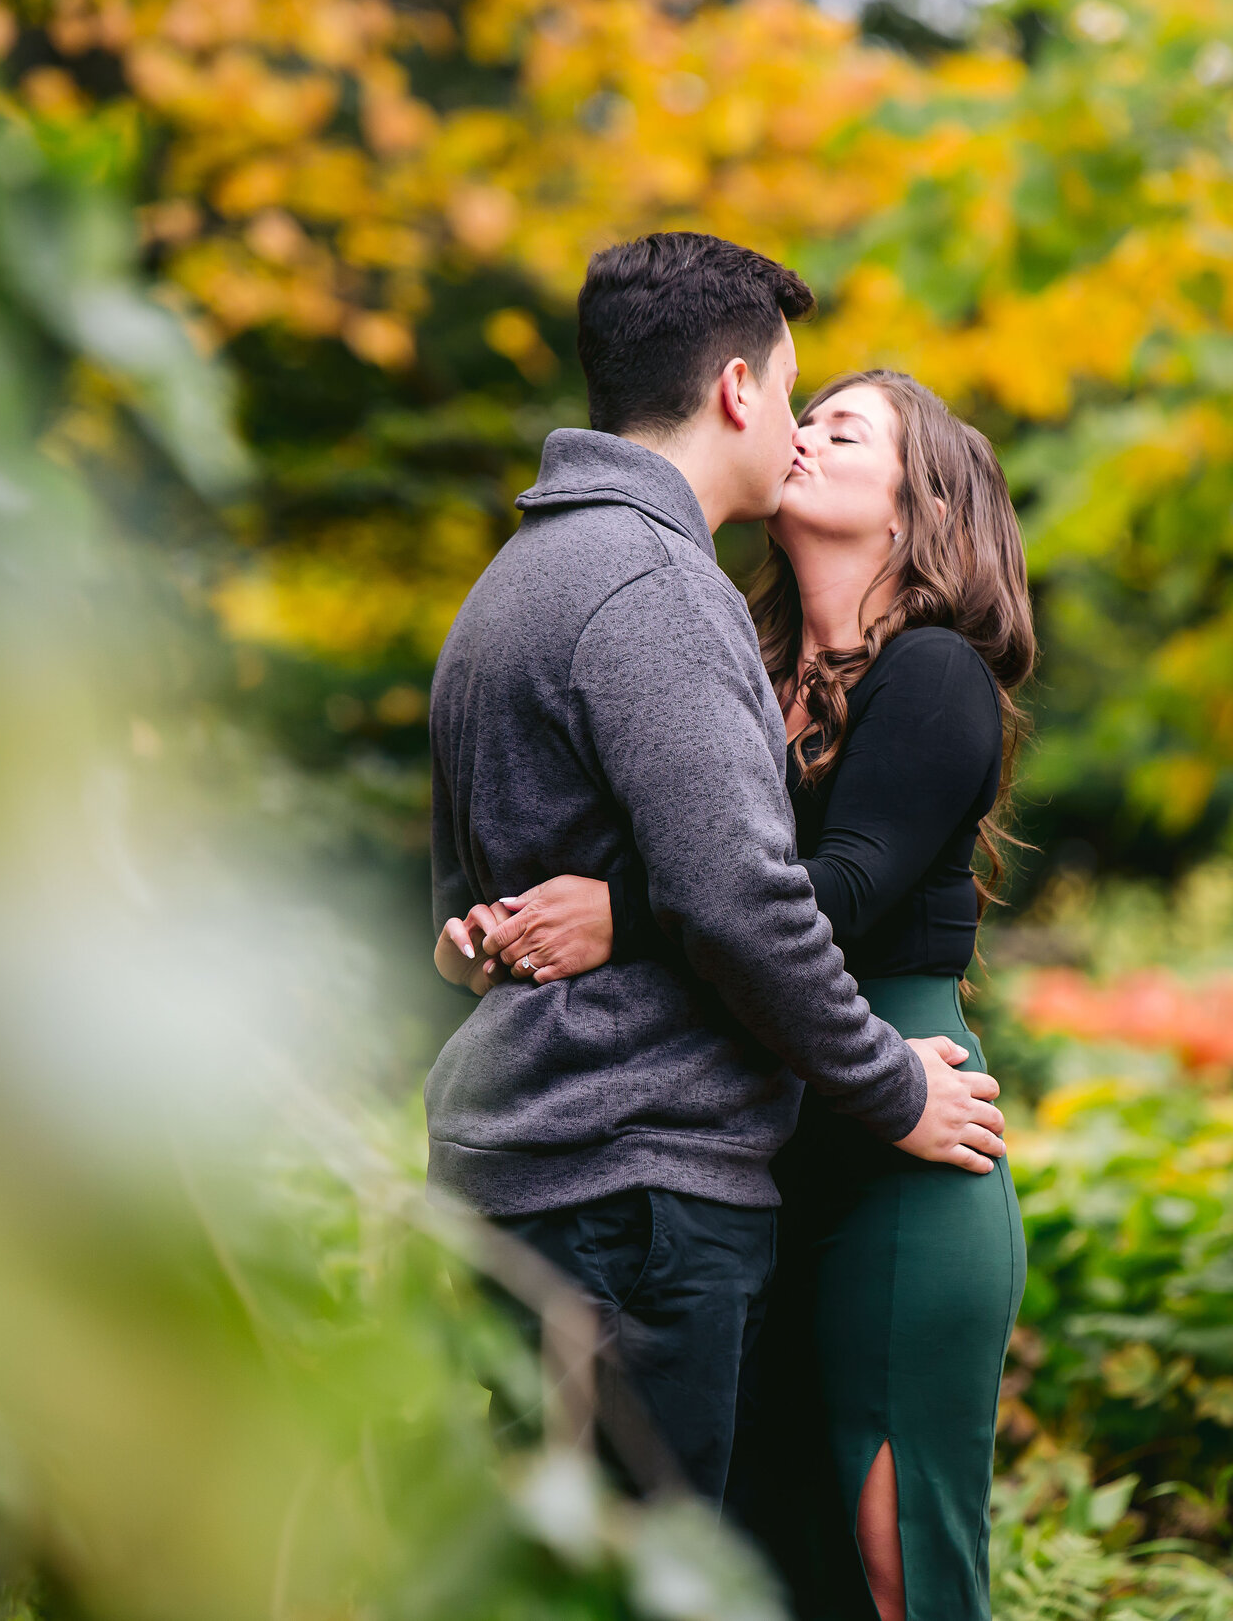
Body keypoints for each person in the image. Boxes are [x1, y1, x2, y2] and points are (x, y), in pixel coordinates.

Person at [424, 233, 1007, 1511]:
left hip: (556, 1159)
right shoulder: (658, 589)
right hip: (635, 1183)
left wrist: (533, 926)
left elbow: (492, 897)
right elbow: (743, 898)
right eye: (799, 395)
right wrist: (885, 1087)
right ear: (738, 390)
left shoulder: (515, 580)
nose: (799, 429)